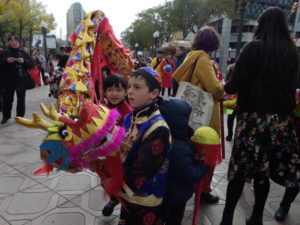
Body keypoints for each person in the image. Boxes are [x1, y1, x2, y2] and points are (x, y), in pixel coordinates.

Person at [220, 7, 300, 225]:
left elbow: (233, 85)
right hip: (279, 122)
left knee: (239, 171)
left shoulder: (252, 48)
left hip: (252, 120)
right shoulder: (292, 53)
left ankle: (226, 218)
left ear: (261, 24)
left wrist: (225, 86)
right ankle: (256, 217)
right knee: (262, 172)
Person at [173, 26, 224, 204]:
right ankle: (203, 191)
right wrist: (222, 86)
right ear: (213, 43)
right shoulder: (203, 59)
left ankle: (193, 186)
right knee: (205, 152)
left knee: (192, 151)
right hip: (205, 115)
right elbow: (215, 89)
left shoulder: (191, 56)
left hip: (191, 112)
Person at [117, 66, 171, 225]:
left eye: (137, 87)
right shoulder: (129, 117)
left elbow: (143, 168)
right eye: (129, 86)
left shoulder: (158, 127)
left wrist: (112, 176)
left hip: (145, 197)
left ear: (154, 93)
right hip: (127, 192)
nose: (130, 92)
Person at [159, 98, 209, 225]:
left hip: (164, 192)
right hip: (176, 195)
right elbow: (189, 175)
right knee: (174, 219)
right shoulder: (179, 147)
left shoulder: (167, 137)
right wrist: (202, 167)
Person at [0, 35, 34, 124]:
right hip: (7, 80)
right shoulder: (4, 53)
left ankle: (20, 116)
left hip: (21, 80)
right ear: (9, 42)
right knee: (7, 99)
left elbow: (31, 64)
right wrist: (6, 61)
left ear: (19, 43)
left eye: (16, 41)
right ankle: (6, 116)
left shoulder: (23, 53)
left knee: (21, 99)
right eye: (11, 41)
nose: (14, 43)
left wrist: (24, 62)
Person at [225, 63, 236, 141]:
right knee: (238, 119)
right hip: (238, 102)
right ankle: (233, 135)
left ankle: (229, 135)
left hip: (229, 103)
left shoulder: (228, 79)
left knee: (230, 119)